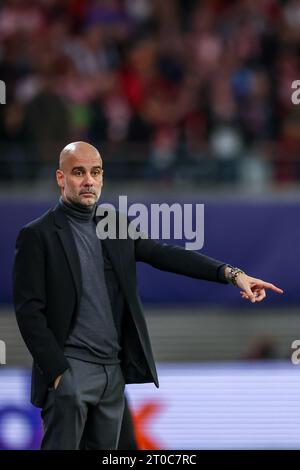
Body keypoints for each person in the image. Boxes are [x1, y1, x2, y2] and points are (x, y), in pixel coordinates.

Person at [13, 141, 283, 450]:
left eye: (96, 172)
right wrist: (60, 374)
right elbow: (29, 312)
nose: (88, 180)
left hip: (112, 375)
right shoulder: (37, 234)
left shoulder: (114, 225)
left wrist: (232, 274)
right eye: (78, 172)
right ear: (60, 178)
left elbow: (165, 254)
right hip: (71, 369)